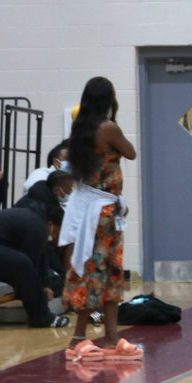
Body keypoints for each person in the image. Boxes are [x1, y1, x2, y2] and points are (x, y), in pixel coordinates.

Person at [60, 77, 141, 362]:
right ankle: (78, 338)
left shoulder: (80, 128)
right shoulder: (108, 128)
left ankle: (110, 335)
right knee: (96, 273)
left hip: (99, 210)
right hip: (102, 215)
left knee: (108, 272)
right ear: (109, 99)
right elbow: (130, 151)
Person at [0, 195, 70, 329]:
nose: (55, 238)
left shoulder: (33, 219)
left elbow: (40, 256)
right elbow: (30, 266)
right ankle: (41, 317)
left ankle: (40, 314)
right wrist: (40, 291)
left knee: (21, 263)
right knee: (21, 264)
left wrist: (44, 285)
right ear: (50, 224)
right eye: (58, 233)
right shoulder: (37, 227)